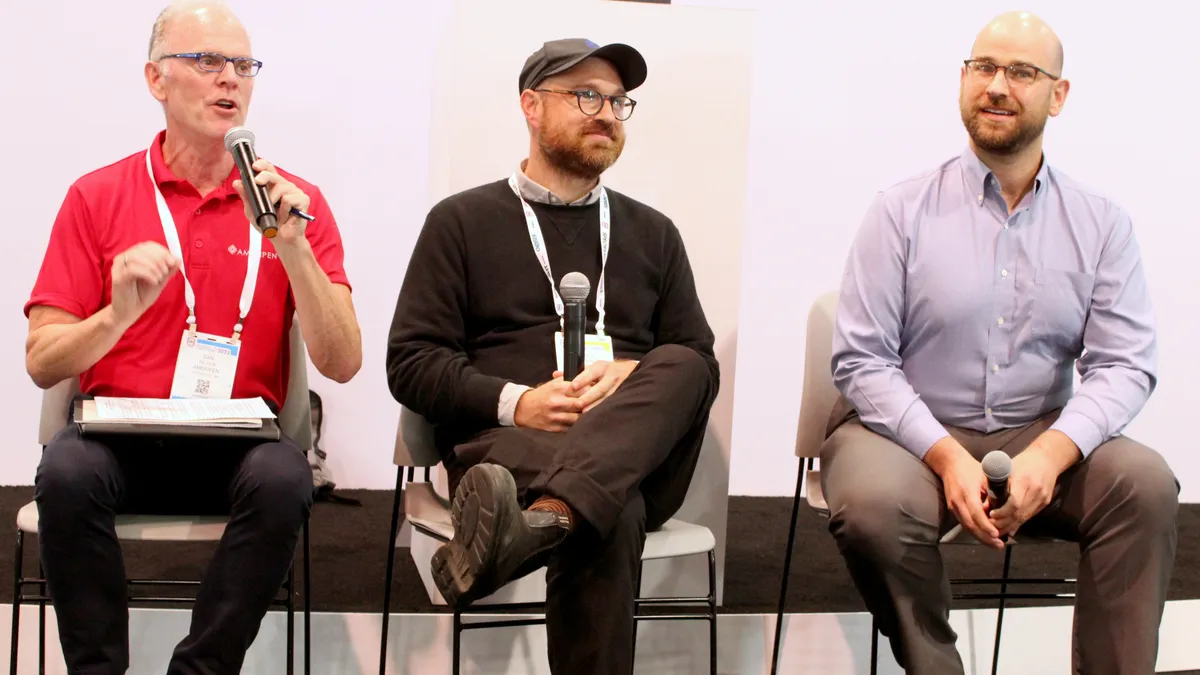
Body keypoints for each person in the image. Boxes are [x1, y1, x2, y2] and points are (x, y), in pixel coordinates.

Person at [823, 11, 1177, 675]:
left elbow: (1125, 364)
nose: (997, 85)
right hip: (905, 434)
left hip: (1037, 432)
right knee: (872, 507)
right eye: (984, 67)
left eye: (1021, 72)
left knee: (1146, 485)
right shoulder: (899, 209)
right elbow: (862, 360)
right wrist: (948, 456)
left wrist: (1051, 452)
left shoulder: (1101, 224)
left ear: (1058, 94)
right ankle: (937, 666)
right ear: (963, 78)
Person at [24, 1, 361, 672]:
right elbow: (42, 360)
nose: (229, 79)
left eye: (242, 65)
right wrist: (116, 316)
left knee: (284, 477)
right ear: (156, 80)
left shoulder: (294, 202)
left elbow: (343, 360)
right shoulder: (97, 196)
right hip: (120, 444)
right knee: (64, 471)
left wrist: (292, 247)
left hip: (236, 446)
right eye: (207, 61)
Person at [386, 38, 719, 675]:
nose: (607, 114)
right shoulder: (459, 223)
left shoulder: (654, 233)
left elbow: (698, 361)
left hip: (641, 454)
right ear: (531, 106)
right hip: (509, 453)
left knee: (685, 363)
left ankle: (537, 525)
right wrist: (520, 404)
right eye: (586, 95)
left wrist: (633, 373)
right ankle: (559, 515)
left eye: (619, 102)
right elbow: (411, 361)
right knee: (609, 512)